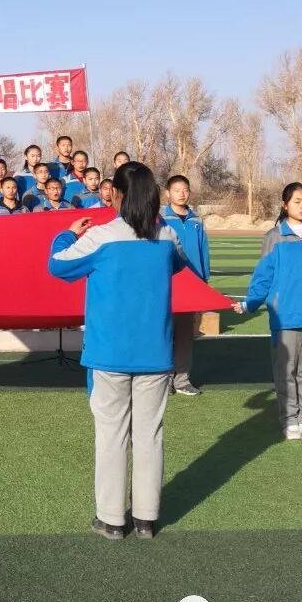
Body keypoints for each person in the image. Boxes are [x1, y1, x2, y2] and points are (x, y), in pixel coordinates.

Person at [49, 161, 187, 541]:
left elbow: (57, 265)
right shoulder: (167, 236)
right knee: (149, 435)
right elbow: (178, 264)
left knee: (111, 435)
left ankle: (111, 519)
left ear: (118, 195)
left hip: (109, 353)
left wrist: (66, 234)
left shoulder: (102, 237)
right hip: (155, 352)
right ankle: (146, 518)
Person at [233, 182, 302, 441]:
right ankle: (290, 419)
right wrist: (250, 302)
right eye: (297, 201)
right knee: (286, 371)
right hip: (285, 316)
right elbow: (263, 275)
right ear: (285, 205)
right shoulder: (274, 237)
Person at [160, 175, 210, 396]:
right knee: (163, 332)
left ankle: (182, 380)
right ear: (167, 193)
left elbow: (203, 251)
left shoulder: (196, 220)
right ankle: (163, 379)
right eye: (177, 189)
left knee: (184, 335)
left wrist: (204, 281)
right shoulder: (160, 218)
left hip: (191, 285)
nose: (182, 194)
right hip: (167, 282)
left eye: (185, 190)